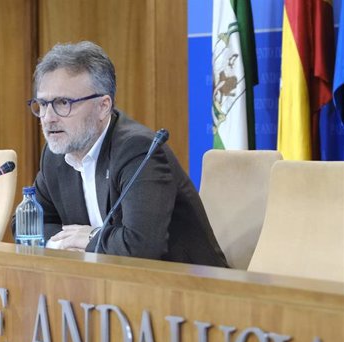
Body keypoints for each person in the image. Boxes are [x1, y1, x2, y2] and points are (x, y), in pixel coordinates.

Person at [25, 41, 228, 267]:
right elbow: (27, 224)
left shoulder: (139, 150)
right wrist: (67, 243)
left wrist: (91, 238)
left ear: (103, 106)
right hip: (111, 290)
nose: (48, 117)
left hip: (191, 289)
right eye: (42, 104)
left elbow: (141, 247)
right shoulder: (57, 153)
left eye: (63, 103)